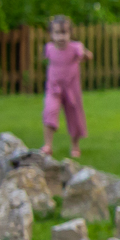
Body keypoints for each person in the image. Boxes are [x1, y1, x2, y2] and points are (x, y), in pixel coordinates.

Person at [40, 15, 87, 160]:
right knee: (50, 111)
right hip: (53, 88)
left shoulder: (75, 47)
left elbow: (86, 55)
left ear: (70, 33)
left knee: (74, 115)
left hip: (72, 88)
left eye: (64, 33)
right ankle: (48, 145)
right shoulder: (49, 48)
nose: (61, 37)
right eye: (57, 33)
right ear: (51, 34)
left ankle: (75, 145)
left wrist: (85, 53)